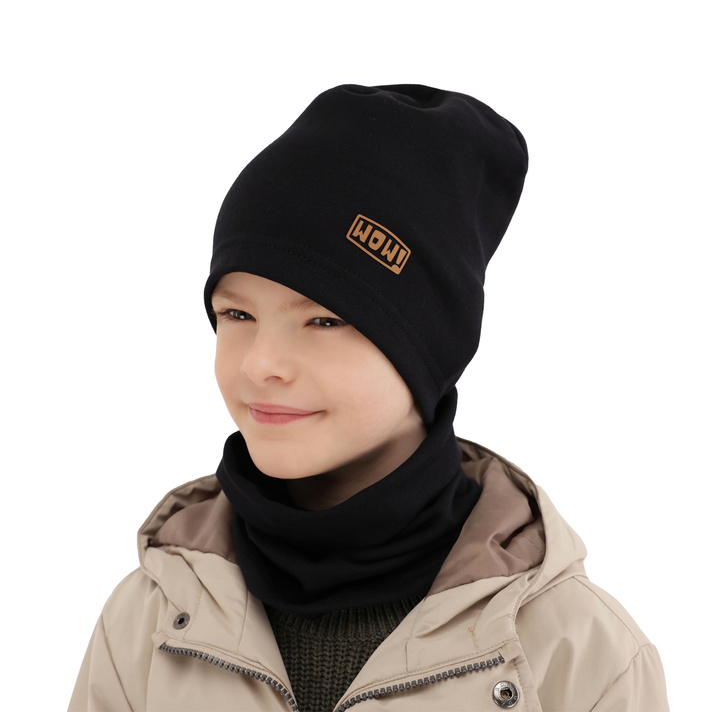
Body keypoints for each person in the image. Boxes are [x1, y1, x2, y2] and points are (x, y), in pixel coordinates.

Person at [69, 84, 669, 712]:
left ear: (430, 346)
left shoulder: (579, 651)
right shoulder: (147, 623)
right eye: (237, 314)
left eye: (324, 320)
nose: (260, 363)